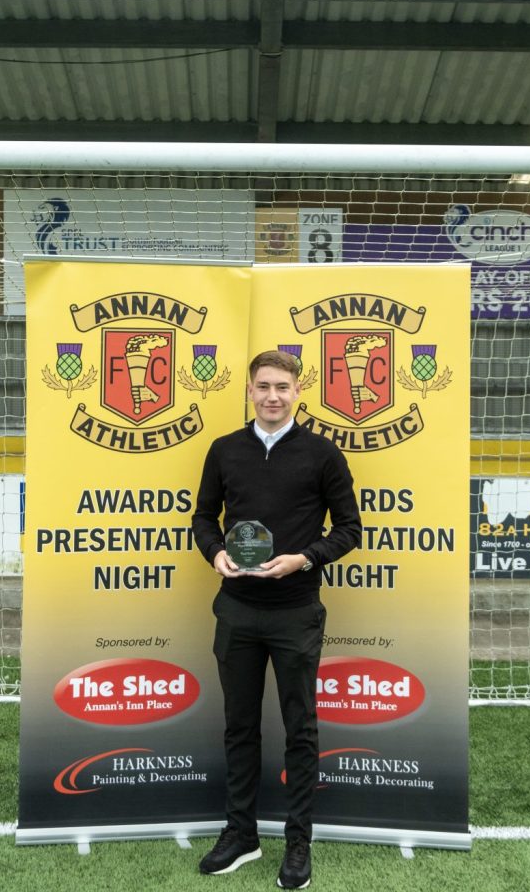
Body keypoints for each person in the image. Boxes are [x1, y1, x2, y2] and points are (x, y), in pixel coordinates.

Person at [192, 349, 362, 890]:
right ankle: (241, 835)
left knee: (300, 728)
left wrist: (305, 558)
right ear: (249, 391)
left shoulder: (322, 454)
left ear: (298, 392)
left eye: (282, 387)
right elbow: (203, 517)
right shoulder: (224, 450)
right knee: (239, 726)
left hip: (296, 612)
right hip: (237, 610)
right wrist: (216, 552)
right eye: (263, 386)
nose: (272, 396)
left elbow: (350, 529)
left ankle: (298, 842)